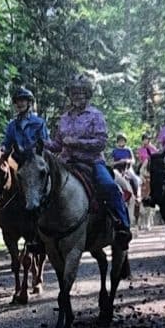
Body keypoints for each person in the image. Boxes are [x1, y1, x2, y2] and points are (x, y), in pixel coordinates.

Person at [52, 77, 131, 236]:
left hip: (92, 162)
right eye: (74, 93)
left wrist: (76, 142)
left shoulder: (96, 115)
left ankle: (122, 224)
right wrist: (40, 143)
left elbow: (101, 142)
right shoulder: (64, 117)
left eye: (81, 93)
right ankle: (39, 234)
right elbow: (57, 144)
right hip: (66, 162)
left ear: (87, 94)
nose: (77, 96)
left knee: (108, 186)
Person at [0, 82, 49, 222]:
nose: (20, 104)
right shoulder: (12, 125)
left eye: (23, 100)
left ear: (29, 103)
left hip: (34, 159)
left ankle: (41, 215)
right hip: (18, 159)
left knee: (32, 181)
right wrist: (2, 150)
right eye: (17, 101)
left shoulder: (38, 122)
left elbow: (45, 143)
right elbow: (7, 142)